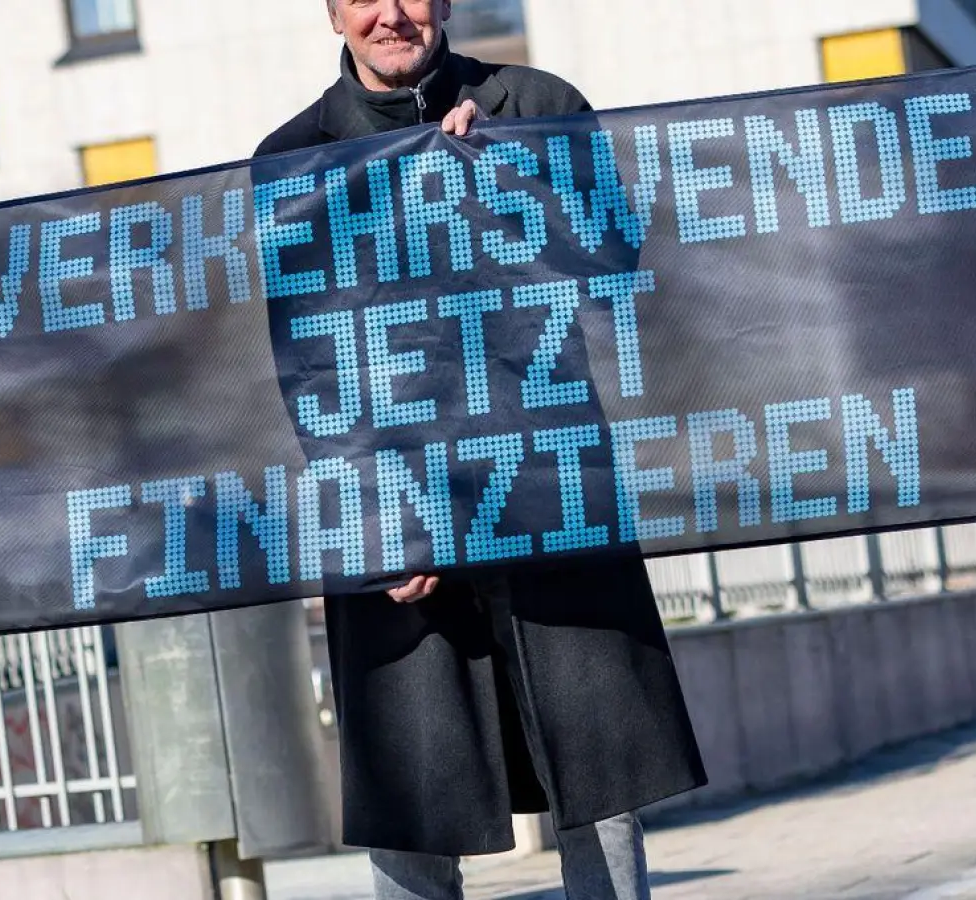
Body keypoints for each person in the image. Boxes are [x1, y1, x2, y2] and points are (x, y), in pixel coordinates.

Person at [254, 2, 708, 898]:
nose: (392, 14)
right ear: (333, 14)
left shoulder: (539, 105)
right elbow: (306, 364)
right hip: (398, 514)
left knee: (602, 782)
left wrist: (513, 181)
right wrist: (376, 521)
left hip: (549, 491)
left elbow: (620, 270)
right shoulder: (292, 156)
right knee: (415, 808)